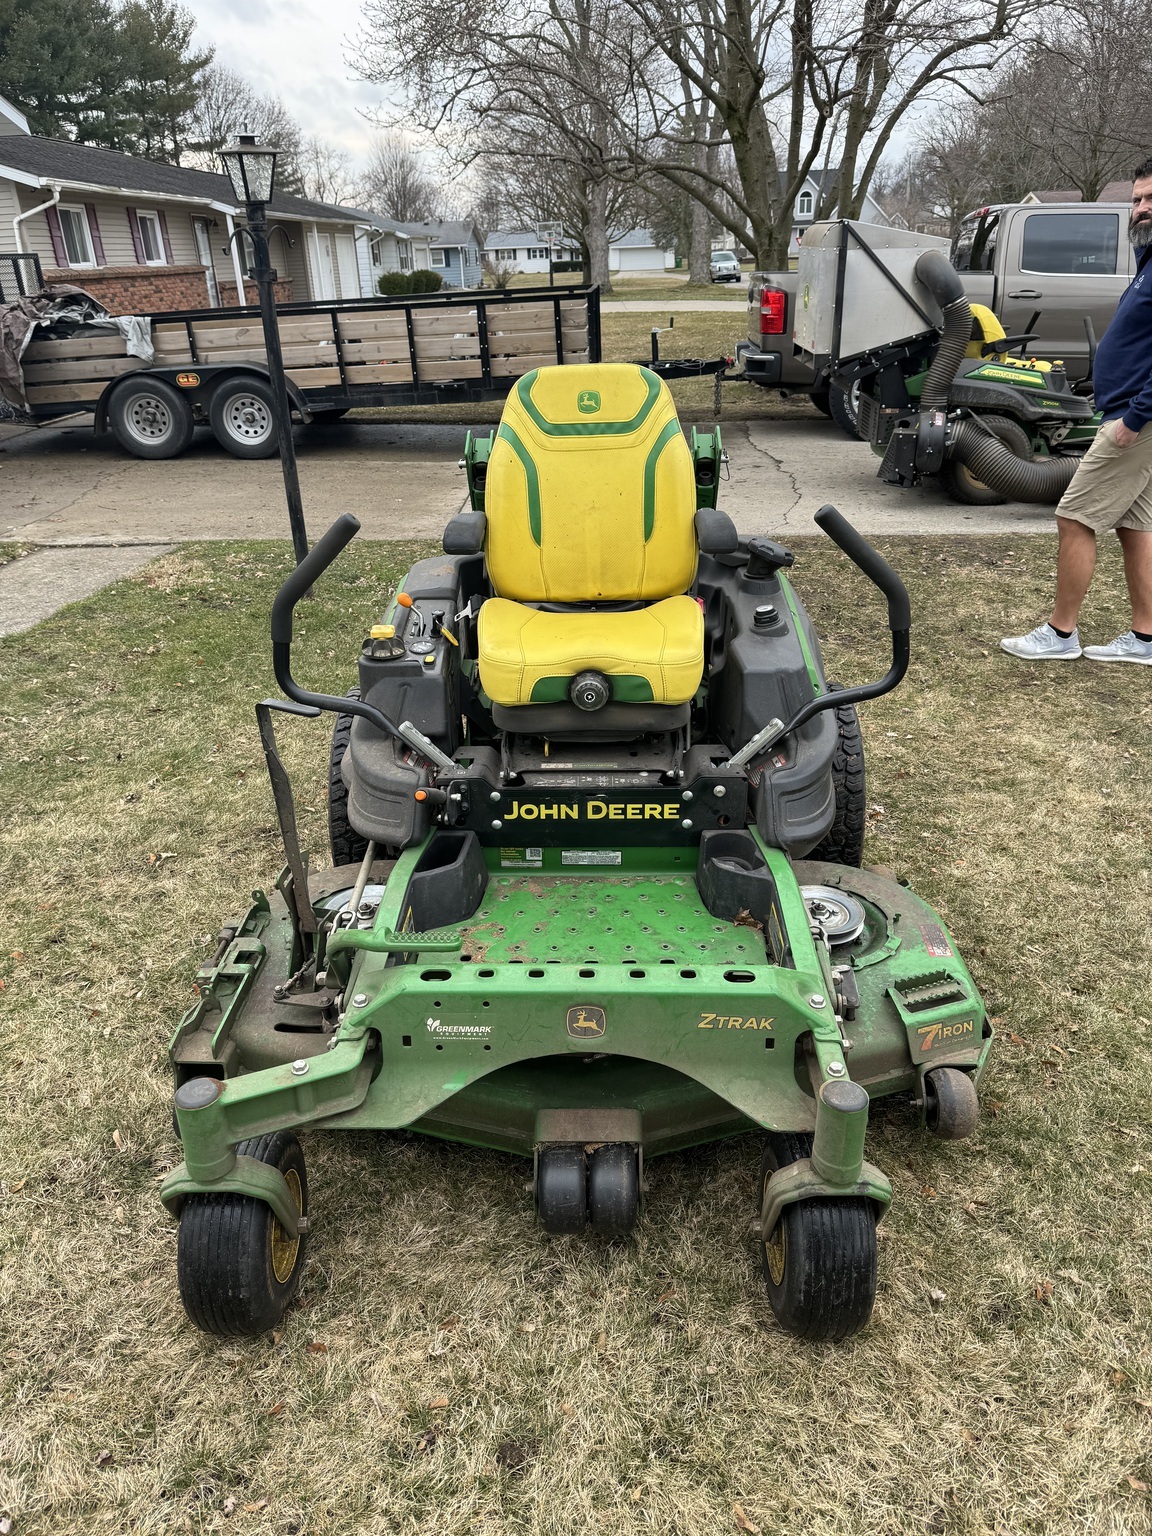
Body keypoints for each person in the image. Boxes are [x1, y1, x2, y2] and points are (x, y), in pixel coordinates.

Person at [1001, 158, 1152, 664]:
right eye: (1137, 199)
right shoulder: (1148, 263)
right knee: (1137, 526)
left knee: (1073, 518)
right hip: (1131, 413)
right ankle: (1145, 639)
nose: (1142, 208)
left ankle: (1060, 635)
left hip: (1138, 419)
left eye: (1151, 199)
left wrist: (1134, 419)